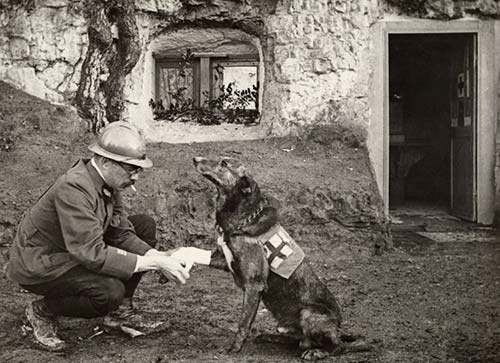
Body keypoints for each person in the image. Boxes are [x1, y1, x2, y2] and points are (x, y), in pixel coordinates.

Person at [7, 121, 210, 352]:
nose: (135, 177)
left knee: (143, 226)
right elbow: (91, 253)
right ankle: (42, 310)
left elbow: (121, 232)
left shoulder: (107, 182)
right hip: (42, 264)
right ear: (105, 161)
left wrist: (159, 256)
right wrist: (154, 263)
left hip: (72, 252)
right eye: (131, 169)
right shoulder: (74, 187)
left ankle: (120, 314)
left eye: (138, 170)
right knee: (109, 292)